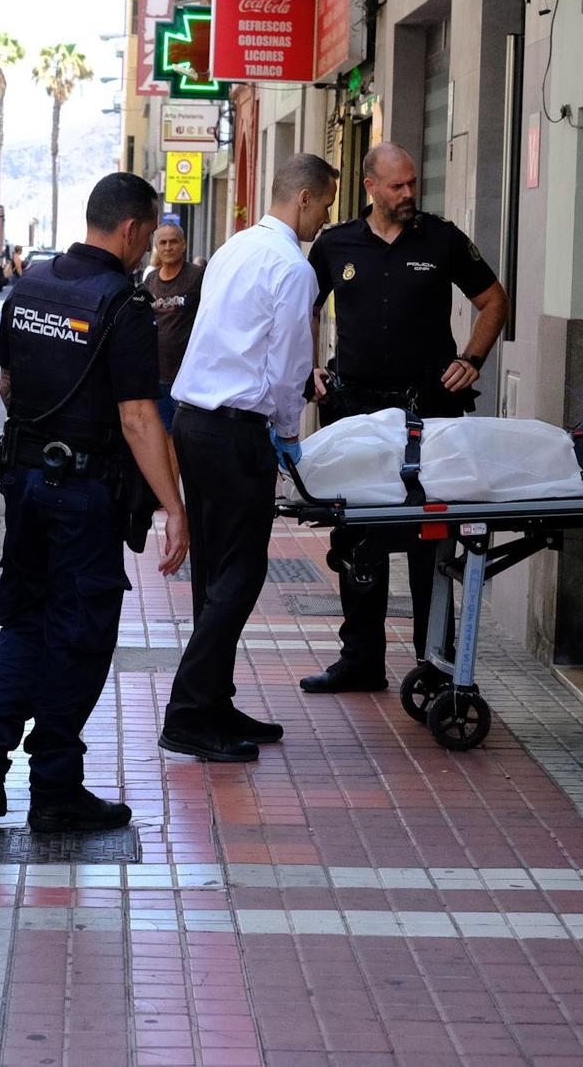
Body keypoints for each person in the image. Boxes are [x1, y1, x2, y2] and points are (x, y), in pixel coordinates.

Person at [0, 172, 189, 832]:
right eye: (148, 235)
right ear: (131, 229)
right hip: (85, 496)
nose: (149, 249)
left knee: (25, 622)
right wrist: (175, 507)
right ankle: (56, 787)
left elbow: (7, 384)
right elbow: (139, 418)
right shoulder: (124, 303)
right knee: (80, 637)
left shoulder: (31, 285)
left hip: (25, 484)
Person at [300, 143, 509, 696]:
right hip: (357, 412)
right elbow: (306, 307)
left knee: (429, 539)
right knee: (358, 536)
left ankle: (435, 664)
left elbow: (494, 301)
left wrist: (472, 359)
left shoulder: (441, 239)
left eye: (413, 183)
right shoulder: (333, 243)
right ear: (370, 186)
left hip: (429, 413)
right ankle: (361, 660)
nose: (410, 193)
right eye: (398, 185)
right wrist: (308, 368)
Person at [160, 155, 338, 762]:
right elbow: (290, 362)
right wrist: (288, 433)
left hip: (194, 423)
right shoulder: (292, 266)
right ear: (306, 198)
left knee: (214, 571)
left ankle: (213, 702)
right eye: (327, 205)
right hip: (237, 431)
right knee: (242, 572)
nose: (326, 218)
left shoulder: (234, 248)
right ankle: (188, 713)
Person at [141, 222, 206, 432]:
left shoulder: (197, 276)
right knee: (162, 434)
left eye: (173, 242)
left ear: (184, 245)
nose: (168, 247)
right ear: (156, 247)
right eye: (163, 242)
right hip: (156, 376)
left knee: (186, 436)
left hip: (187, 378)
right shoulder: (150, 280)